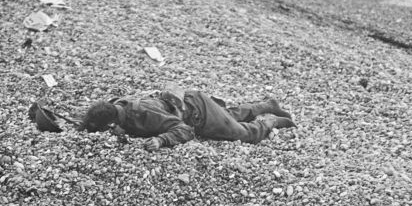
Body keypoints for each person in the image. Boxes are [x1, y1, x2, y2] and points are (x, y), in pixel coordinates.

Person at [80, 86, 295, 151]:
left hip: (197, 113)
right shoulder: (116, 105)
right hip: (191, 101)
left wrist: (160, 140)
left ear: (112, 123)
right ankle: (268, 105)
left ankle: (271, 122)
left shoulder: (144, 115)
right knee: (229, 115)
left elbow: (185, 131)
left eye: (108, 130)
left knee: (240, 133)